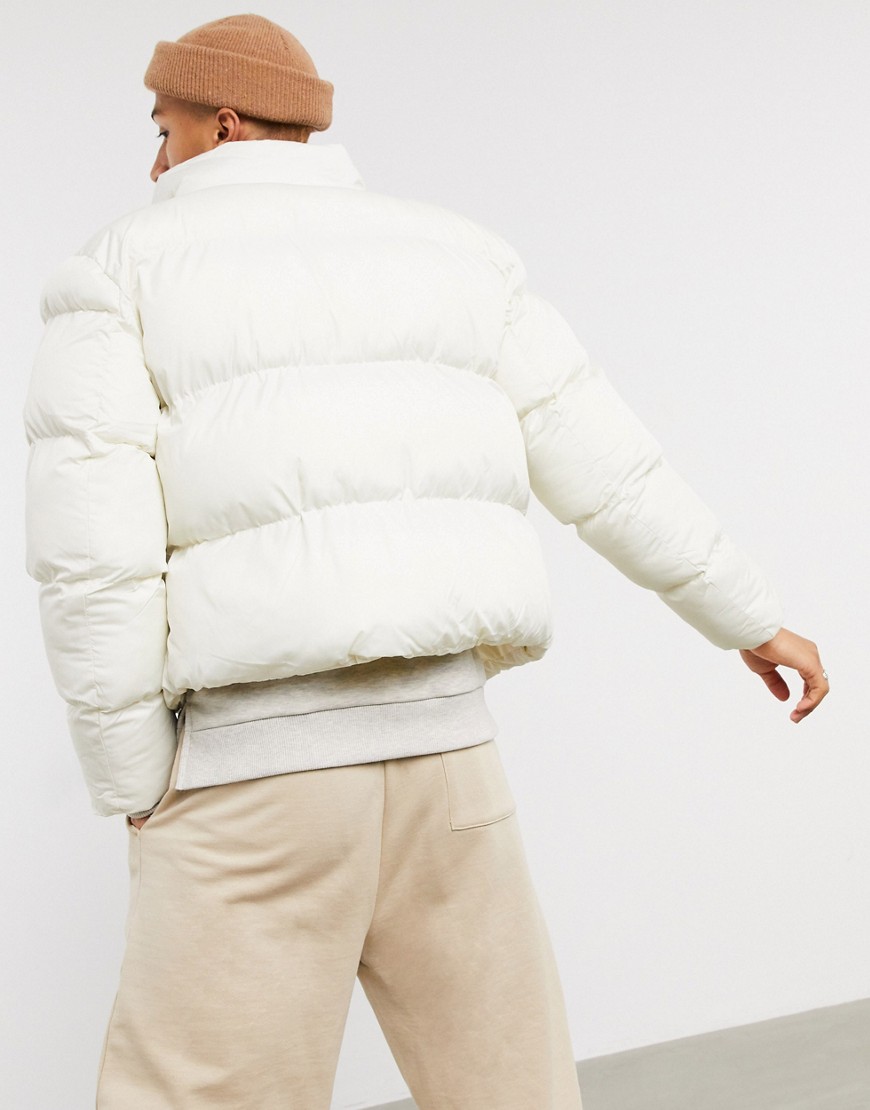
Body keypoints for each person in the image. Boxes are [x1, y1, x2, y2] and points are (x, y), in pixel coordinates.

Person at [21, 13, 829, 1110]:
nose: (155, 161)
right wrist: (751, 618)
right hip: (452, 766)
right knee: (511, 1090)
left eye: (162, 129)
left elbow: (93, 557)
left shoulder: (115, 272)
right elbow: (612, 470)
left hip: (255, 780)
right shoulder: (458, 253)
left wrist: (133, 782)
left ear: (223, 123)